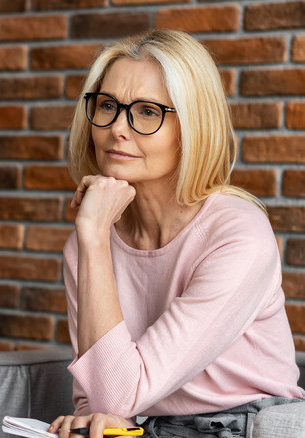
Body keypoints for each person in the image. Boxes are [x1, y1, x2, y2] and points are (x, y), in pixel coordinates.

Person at [47, 29, 304, 438]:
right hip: (142, 427)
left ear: (192, 127)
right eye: (108, 105)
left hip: (242, 425)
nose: (117, 128)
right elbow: (99, 397)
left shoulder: (236, 235)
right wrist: (89, 420)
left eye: (148, 111)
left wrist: (93, 235)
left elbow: (117, 396)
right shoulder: (88, 243)